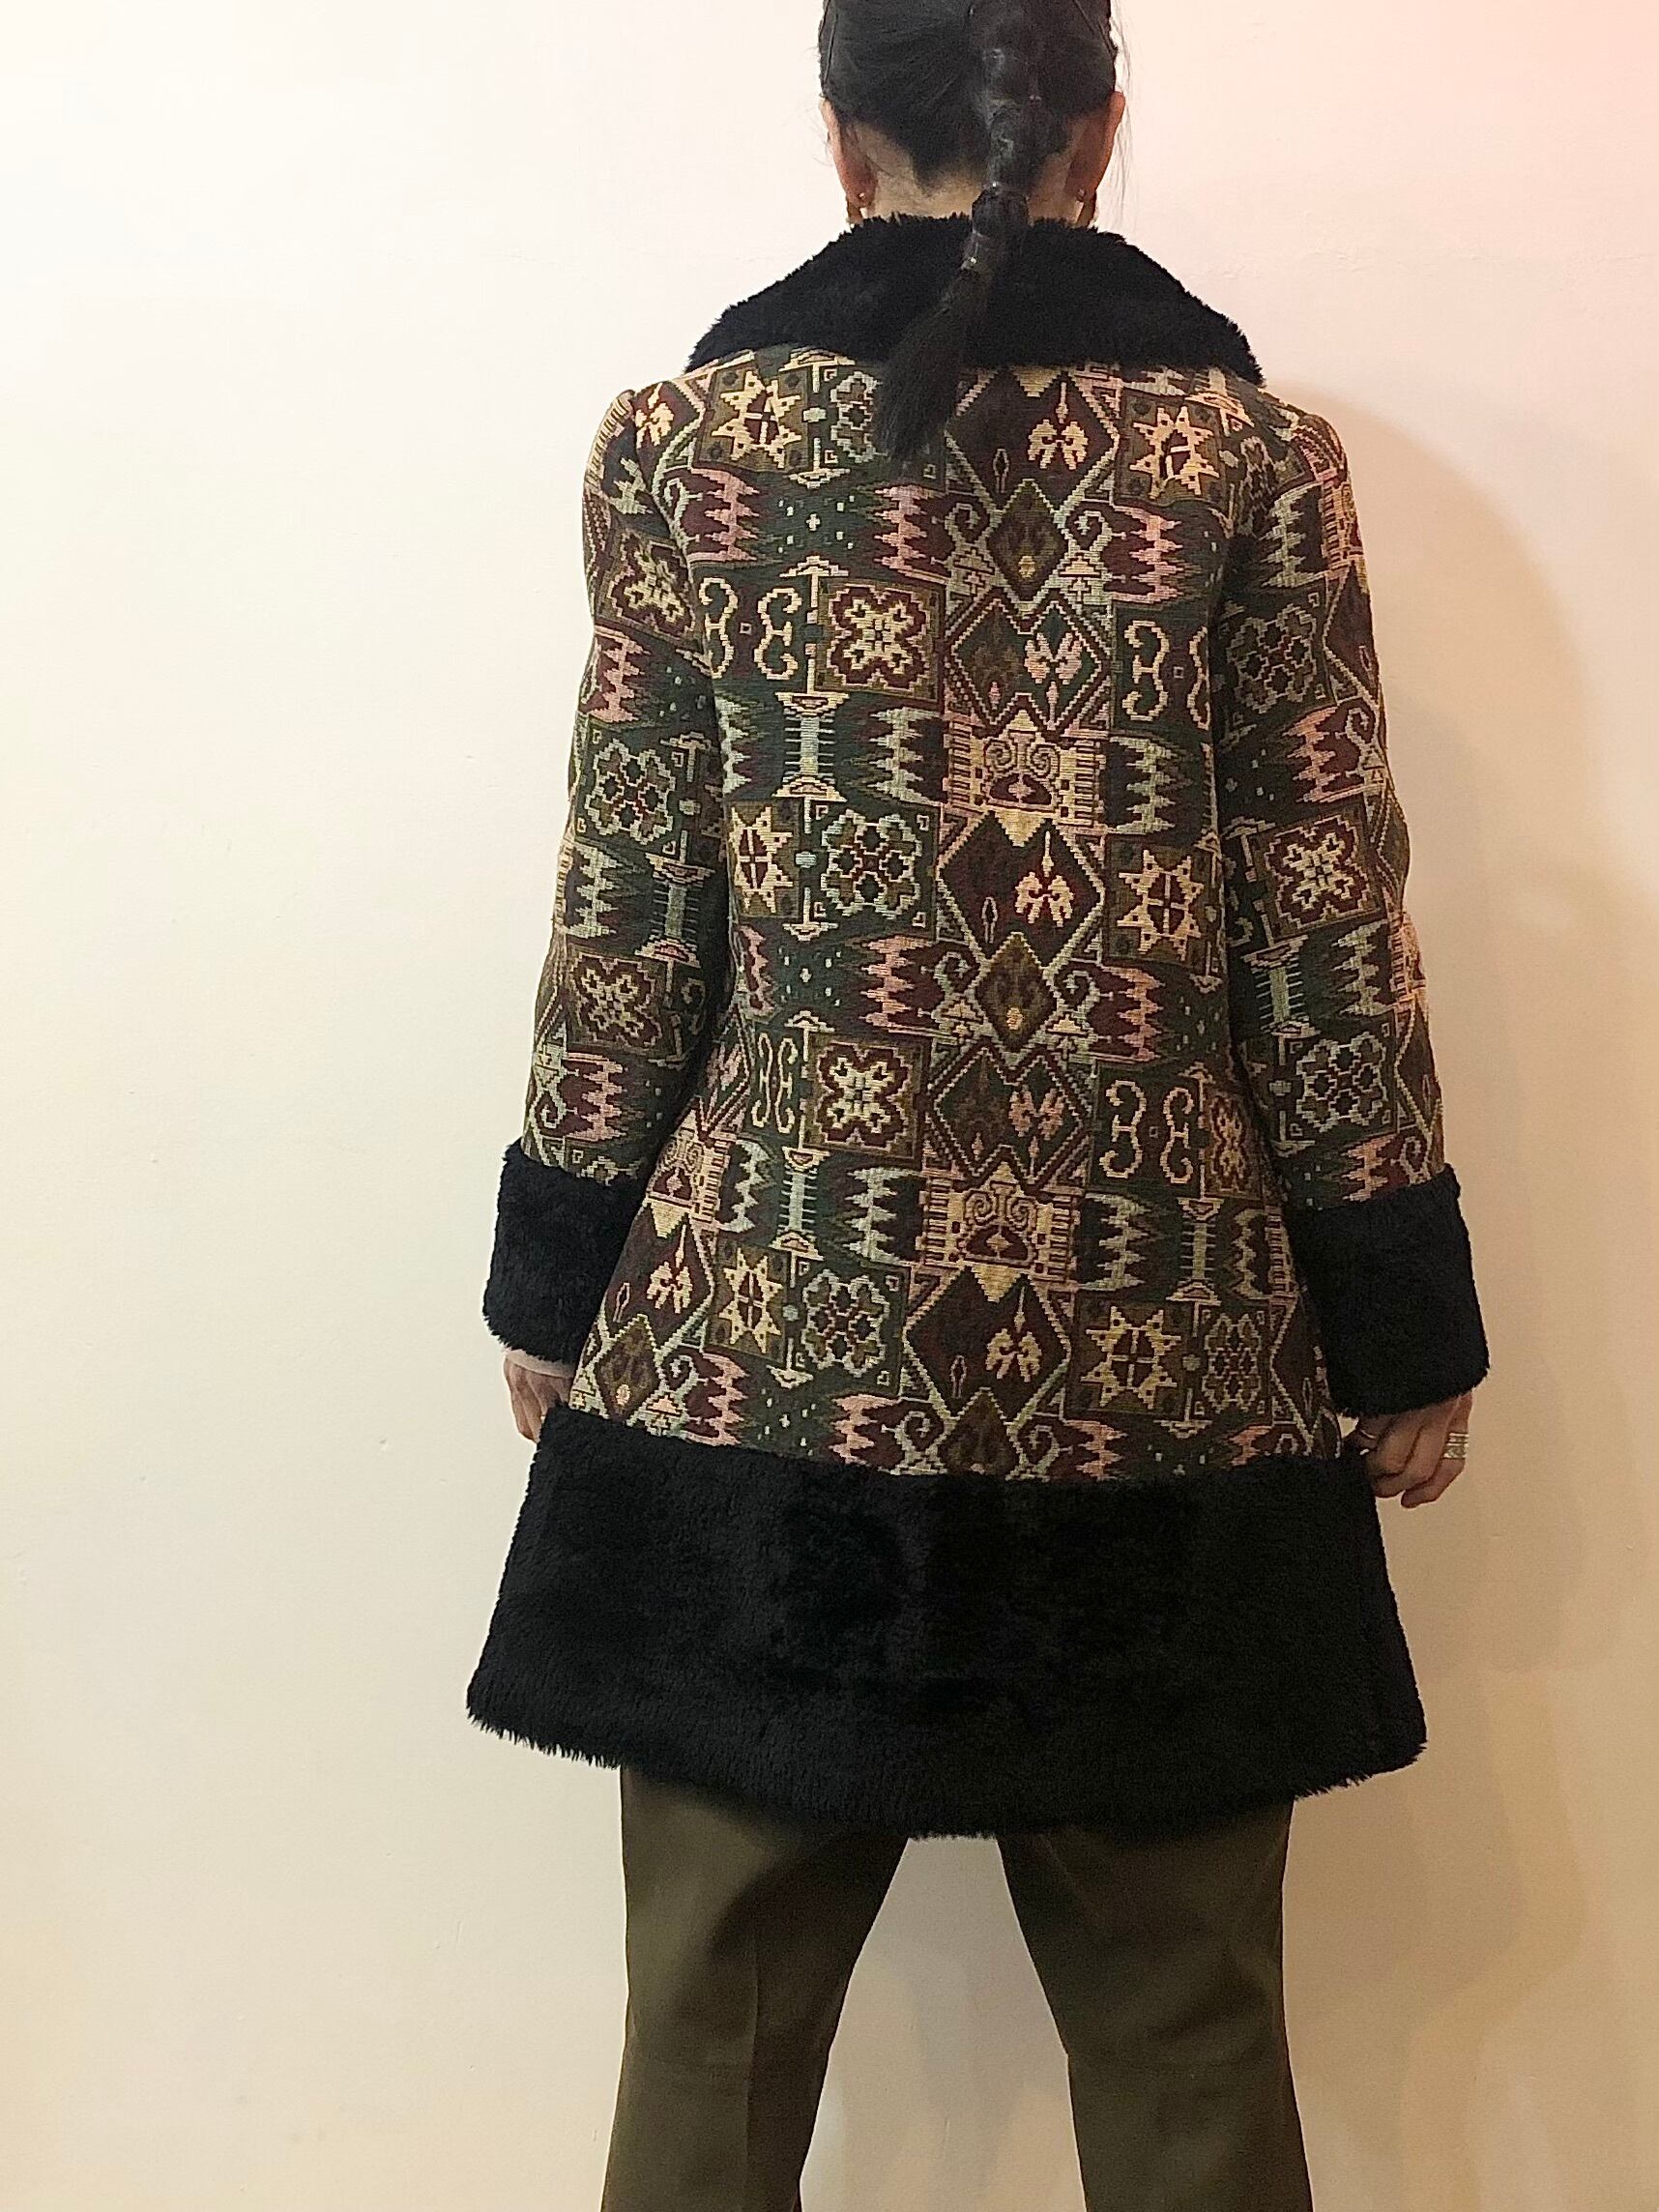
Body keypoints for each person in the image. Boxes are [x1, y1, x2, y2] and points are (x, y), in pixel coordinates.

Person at [468, 2, 1492, 2203]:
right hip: (1160, 1365)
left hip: (768, 1357)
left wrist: (556, 1275)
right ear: (1100, 129)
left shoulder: (689, 452)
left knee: (715, 2026)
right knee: (1189, 2029)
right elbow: (1327, 919)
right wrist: (1400, 1317)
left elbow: (632, 902)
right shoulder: (1248, 461)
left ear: (845, 148)